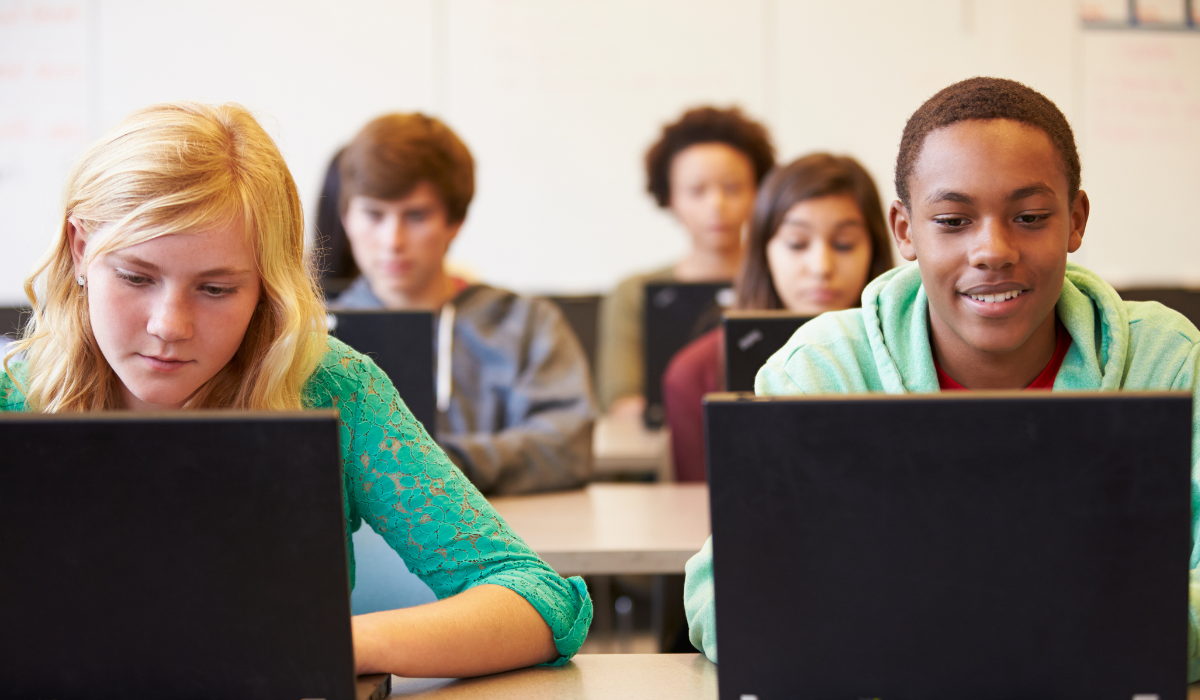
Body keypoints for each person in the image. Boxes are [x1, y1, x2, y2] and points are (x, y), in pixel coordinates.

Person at [0, 102, 592, 678]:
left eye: (215, 289)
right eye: (135, 277)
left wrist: (334, 642)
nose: (169, 325)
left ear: (268, 285)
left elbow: (535, 598)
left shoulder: (330, 386)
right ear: (80, 249)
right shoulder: (11, 396)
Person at [682, 77, 1200, 679]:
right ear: (904, 230)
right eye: (953, 221)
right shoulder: (823, 370)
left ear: (1076, 220)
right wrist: (1048, 623)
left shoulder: (1169, 362)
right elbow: (725, 595)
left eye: (1030, 216)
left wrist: (927, 621)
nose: (992, 250)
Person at [331, 113, 595, 496]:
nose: (392, 240)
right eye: (373, 215)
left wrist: (439, 464)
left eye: (416, 216)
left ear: (454, 222)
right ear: (346, 218)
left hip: (504, 542)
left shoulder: (526, 323)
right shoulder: (315, 335)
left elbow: (566, 445)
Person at [662, 153, 894, 481]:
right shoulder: (695, 374)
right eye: (797, 243)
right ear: (763, 251)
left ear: (874, 250)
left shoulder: (918, 354)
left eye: (844, 244)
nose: (821, 267)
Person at [596, 106, 775, 418]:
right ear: (669, 198)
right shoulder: (634, 292)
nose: (716, 205)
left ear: (758, 192)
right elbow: (621, 402)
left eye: (732, 188)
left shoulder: (788, 281)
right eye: (696, 190)